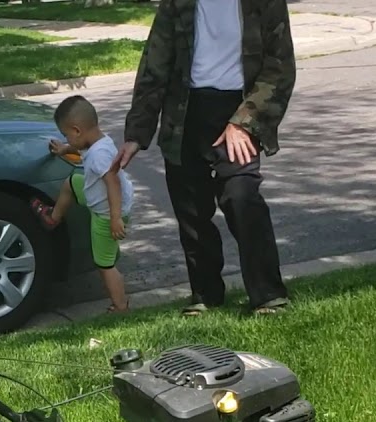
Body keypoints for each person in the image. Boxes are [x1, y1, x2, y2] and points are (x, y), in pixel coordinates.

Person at [116, 0, 296, 316]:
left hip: (238, 109)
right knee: (191, 210)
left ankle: (268, 295)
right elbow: (155, 62)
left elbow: (279, 66)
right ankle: (206, 294)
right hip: (185, 111)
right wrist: (136, 132)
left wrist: (244, 122)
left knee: (241, 197)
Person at [31, 95, 136, 314]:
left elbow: (113, 183)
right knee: (71, 183)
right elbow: (80, 149)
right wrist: (64, 149)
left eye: (67, 134)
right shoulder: (97, 141)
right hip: (99, 197)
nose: (67, 138)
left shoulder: (99, 155)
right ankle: (53, 217)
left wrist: (115, 218)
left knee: (104, 264)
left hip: (106, 213)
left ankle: (120, 306)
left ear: (77, 130)